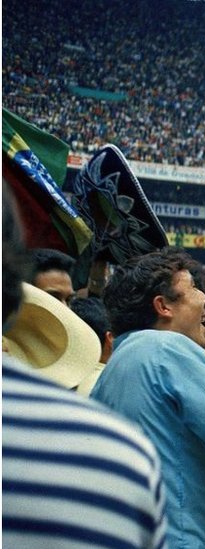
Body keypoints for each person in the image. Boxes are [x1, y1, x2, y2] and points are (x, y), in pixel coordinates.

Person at [2, 192, 167, 548]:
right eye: (52, 299)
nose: (64, 312)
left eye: (68, 301)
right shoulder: (119, 454)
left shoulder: (113, 445)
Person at [90, 248, 205, 548]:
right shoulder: (167, 349)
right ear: (163, 306)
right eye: (192, 288)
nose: (204, 299)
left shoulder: (120, 360)